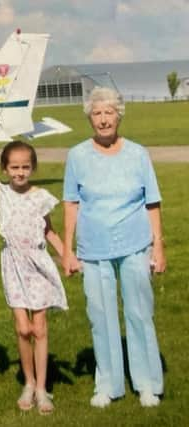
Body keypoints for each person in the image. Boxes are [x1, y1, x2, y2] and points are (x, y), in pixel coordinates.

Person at [61, 86, 166, 408]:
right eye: (97, 113)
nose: (104, 120)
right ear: (89, 118)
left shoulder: (138, 153)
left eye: (109, 113)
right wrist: (68, 249)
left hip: (135, 245)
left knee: (139, 313)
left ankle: (147, 384)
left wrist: (158, 246)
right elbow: (71, 203)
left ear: (118, 115)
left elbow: (152, 203)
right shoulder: (77, 155)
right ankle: (108, 385)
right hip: (93, 249)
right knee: (100, 316)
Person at [0, 140, 68, 414]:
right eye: (14, 167)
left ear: (32, 168)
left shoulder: (41, 197)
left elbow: (49, 232)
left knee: (39, 327)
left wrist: (68, 255)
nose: (20, 172)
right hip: (13, 266)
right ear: (5, 168)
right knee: (22, 328)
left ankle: (43, 389)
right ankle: (28, 383)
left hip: (38, 265)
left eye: (25, 167)